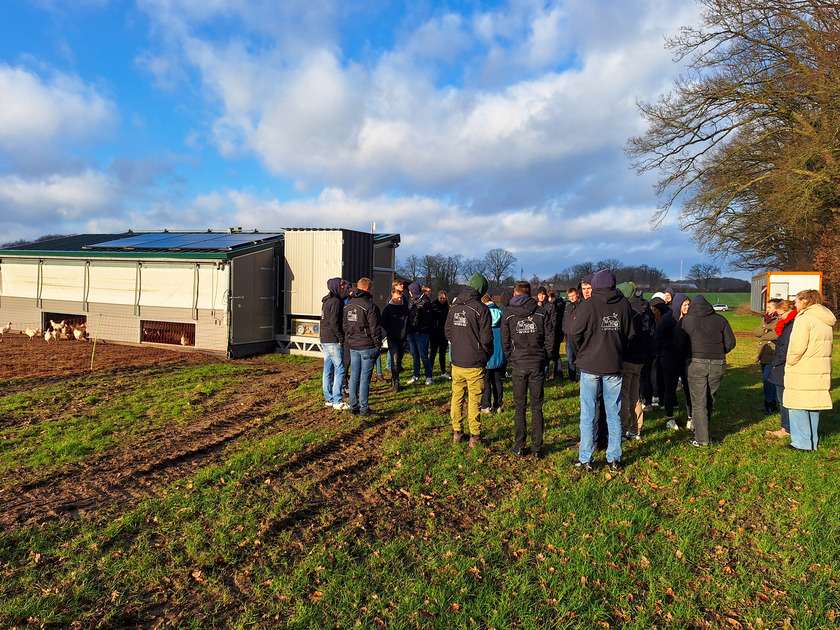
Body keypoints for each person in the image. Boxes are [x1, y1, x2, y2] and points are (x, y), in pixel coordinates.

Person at [569, 269, 633, 471]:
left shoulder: (588, 305)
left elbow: (573, 332)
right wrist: (617, 350)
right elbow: (630, 334)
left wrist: (582, 353)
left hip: (590, 366)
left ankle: (586, 458)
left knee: (588, 413)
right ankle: (614, 458)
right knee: (613, 413)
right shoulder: (624, 305)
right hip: (613, 365)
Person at [502, 282, 554, 458]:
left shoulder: (509, 314)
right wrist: (545, 357)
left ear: (515, 294)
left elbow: (505, 342)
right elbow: (550, 339)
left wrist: (511, 358)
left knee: (520, 406)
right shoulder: (541, 312)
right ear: (530, 294)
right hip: (535, 363)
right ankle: (537, 449)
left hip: (520, 364)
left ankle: (520, 445)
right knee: (536, 406)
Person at [679, 294, 737, 446]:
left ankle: (701, 438)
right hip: (718, 362)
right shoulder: (721, 320)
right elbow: (730, 343)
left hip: (695, 362)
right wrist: (718, 351)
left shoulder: (686, 320)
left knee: (698, 401)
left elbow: (678, 342)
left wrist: (688, 354)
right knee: (710, 398)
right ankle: (701, 430)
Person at [783, 289, 835, 451]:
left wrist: (790, 362)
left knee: (796, 406)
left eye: (797, 301)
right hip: (819, 367)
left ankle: (801, 443)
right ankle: (812, 441)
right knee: (812, 406)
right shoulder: (824, 319)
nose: (795, 304)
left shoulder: (804, 319)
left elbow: (797, 346)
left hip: (803, 367)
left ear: (805, 301)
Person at [445, 273, 494, 447]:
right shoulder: (481, 309)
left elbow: (448, 332)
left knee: (457, 397)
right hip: (475, 363)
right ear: (481, 290)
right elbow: (487, 339)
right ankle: (475, 436)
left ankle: (457, 432)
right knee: (475, 399)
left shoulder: (454, 307)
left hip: (457, 361)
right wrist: (486, 355)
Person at [343, 277, 382, 417]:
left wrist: (350, 340)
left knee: (354, 376)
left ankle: (353, 406)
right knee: (365, 378)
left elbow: (345, 326)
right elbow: (375, 328)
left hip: (353, 345)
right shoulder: (370, 306)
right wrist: (377, 344)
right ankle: (364, 409)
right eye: (371, 289)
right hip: (367, 346)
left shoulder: (348, 305)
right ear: (367, 289)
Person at [617, 282, 650, 440]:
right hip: (641, 358)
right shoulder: (646, 310)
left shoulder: (630, 311)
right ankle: (636, 429)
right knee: (635, 395)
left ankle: (622, 431)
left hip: (629, 358)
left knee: (624, 395)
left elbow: (627, 335)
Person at [766, 300, 796, 438]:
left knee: (784, 399)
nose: (779, 317)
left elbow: (785, 347)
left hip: (782, 365)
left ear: (789, 310)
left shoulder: (791, 325)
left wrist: (776, 362)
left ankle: (787, 428)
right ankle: (787, 426)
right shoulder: (788, 324)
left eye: (781, 314)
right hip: (782, 363)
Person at [320, 277, 348, 410]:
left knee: (328, 369)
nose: (344, 289)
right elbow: (334, 322)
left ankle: (329, 398)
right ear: (337, 287)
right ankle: (337, 399)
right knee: (340, 369)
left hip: (324, 338)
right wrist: (340, 338)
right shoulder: (337, 302)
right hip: (333, 340)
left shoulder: (326, 301)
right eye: (342, 287)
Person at [480, 294, 505, 414]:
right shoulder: (501, 313)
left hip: (487, 349)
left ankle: (485, 405)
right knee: (497, 379)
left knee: (486, 379)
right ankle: (498, 405)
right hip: (499, 349)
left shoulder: (483, 314)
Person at [406, 282, 435, 385]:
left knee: (423, 355)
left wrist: (420, 329)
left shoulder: (425, 302)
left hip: (421, 333)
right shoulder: (412, 301)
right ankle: (416, 374)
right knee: (415, 355)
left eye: (410, 290)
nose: (409, 292)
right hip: (411, 332)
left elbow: (428, 319)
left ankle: (429, 376)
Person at [381, 289, 409, 392]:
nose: (399, 299)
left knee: (399, 360)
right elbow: (383, 321)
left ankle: (396, 379)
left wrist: (407, 330)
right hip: (393, 338)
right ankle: (395, 383)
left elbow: (409, 320)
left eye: (400, 297)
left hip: (403, 338)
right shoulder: (388, 308)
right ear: (393, 298)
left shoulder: (405, 307)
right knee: (395, 361)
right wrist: (390, 330)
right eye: (397, 298)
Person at [429, 290, 451, 379]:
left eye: (444, 298)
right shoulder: (433, 305)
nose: (442, 300)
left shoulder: (447, 306)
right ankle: (430, 372)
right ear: (438, 297)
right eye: (441, 298)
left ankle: (443, 371)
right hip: (434, 333)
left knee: (442, 353)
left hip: (443, 333)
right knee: (433, 353)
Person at [563, 286, 582, 381]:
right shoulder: (568, 308)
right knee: (570, 359)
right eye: (569, 296)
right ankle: (572, 378)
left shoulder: (582, 306)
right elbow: (565, 321)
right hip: (569, 338)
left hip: (579, 338)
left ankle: (582, 379)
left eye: (573, 295)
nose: (571, 298)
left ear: (577, 294)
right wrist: (564, 330)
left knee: (581, 359)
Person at [547, 289, 566, 379]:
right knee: (556, 352)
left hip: (557, 331)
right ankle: (556, 373)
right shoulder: (560, 304)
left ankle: (557, 373)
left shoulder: (556, 305)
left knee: (555, 353)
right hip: (559, 331)